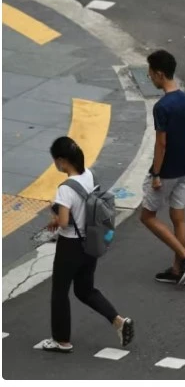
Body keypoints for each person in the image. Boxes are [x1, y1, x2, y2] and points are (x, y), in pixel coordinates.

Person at [40, 136, 134, 353]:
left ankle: (61, 340)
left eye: (55, 160)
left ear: (63, 161)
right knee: (85, 290)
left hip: (70, 246)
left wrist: (55, 220)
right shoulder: (89, 175)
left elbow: (64, 221)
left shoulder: (65, 189)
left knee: (60, 292)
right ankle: (118, 321)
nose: (55, 164)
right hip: (90, 242)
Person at [140, 49, 185, 286]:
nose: (150, 78)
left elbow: (161, 143)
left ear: (159, 73)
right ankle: (177, 270)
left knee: (147, 216)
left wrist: (156, 173)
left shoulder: (162, 107)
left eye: (150, 74)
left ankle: (184, 256)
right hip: (183, 167)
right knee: (179, 219)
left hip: (165, 172)